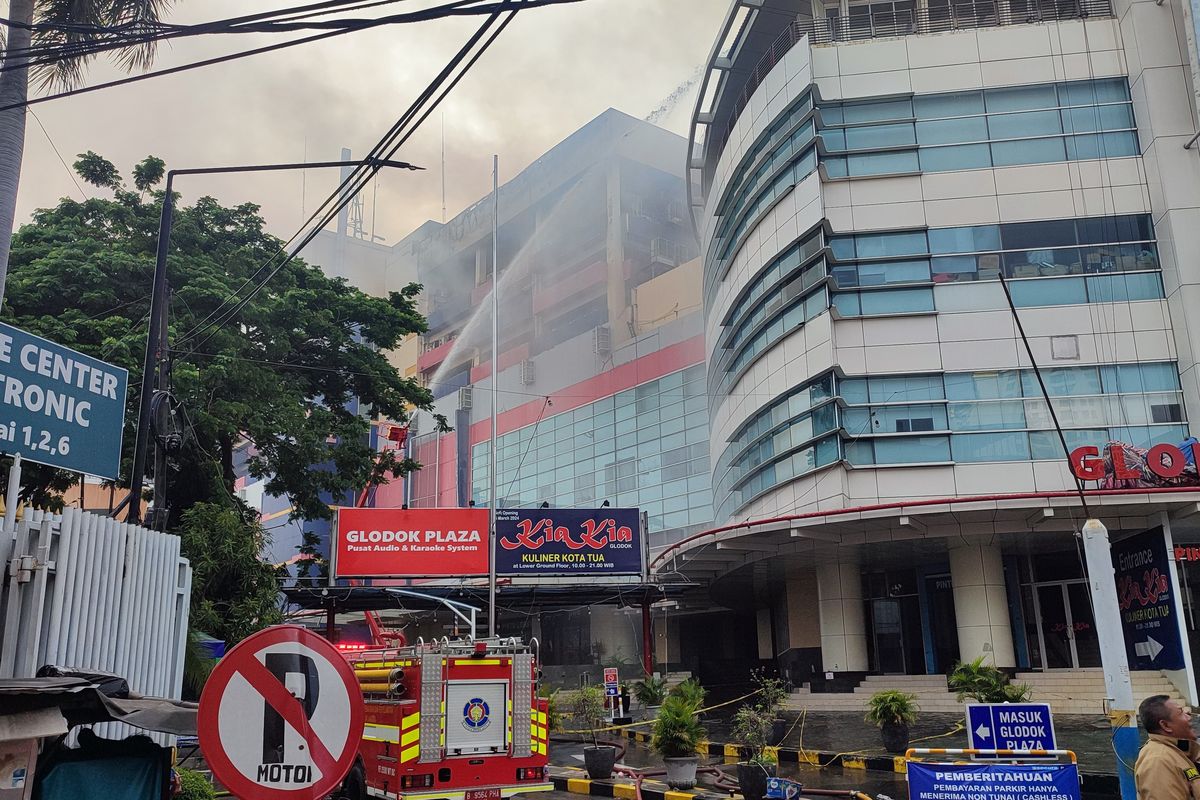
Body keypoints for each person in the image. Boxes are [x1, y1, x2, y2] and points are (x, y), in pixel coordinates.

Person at [1135, 695, 1200, 799]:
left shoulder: (1181, 752)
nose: (1189, 717)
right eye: (1181, 712)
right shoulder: (1159, 761)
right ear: (1165, 725)